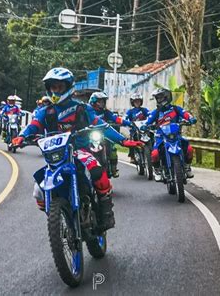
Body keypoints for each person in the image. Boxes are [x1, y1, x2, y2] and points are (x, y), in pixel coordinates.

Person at [11, 67, 143, 232]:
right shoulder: (45, 111)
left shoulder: (82, 108)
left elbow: (101, 125)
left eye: (59, 87)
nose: (55, 91)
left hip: (80, 151)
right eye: (53, 87)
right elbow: (33, 125)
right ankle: (59, 214)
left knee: (98, 172)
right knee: (39, 191)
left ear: (68, 87)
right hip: (56, 156)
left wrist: (123, 141)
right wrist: (21, 136)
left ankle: (106, 213)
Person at [143, 88, 197, 182]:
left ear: (166, 97)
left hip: (176, 136)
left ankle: (187, 167)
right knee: (155, 154)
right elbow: (148, 121)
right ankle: (158, 170)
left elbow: (186, 114)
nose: (158, 100)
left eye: (160, 98)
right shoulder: (156, 112)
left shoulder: (176, 109)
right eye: (157, 98)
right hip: (161, 136)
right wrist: (144, 126)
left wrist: (191, 119)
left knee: (189, 149)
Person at [88, 91, 134, 178]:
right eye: (100, 101)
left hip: (104, 134)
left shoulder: (106, 112)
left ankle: (113, 169)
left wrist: (128, 123)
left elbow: (115, 118)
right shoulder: (88, 111)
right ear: (93, 101)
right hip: (89, 136)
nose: (102, 104)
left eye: (103, 101)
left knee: (112, 148)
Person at [125, 93, 150, 163]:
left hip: (143, 129)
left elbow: (150, 115)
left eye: (138, 101)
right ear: (132, 102)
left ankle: (151, 154)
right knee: (131, 139)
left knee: (151, 137)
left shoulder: (144, 110)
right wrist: (127, 123)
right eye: (135, 101)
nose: (137, 103)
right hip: (134, 130)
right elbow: (125, 118)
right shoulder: (130, 111)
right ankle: (132, 156)